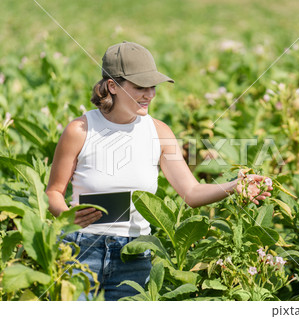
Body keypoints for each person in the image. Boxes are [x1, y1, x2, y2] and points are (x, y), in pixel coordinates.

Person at [45, 41, 272, 301]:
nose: (149, 94)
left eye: (152, 86)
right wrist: (66, 216)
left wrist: (234, 185)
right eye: (140, 87)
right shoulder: (80, 130)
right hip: (82, 249)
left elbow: (191, 191)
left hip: (134, 255)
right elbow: (53, 192)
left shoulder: (160, 133)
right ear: (112, 86)